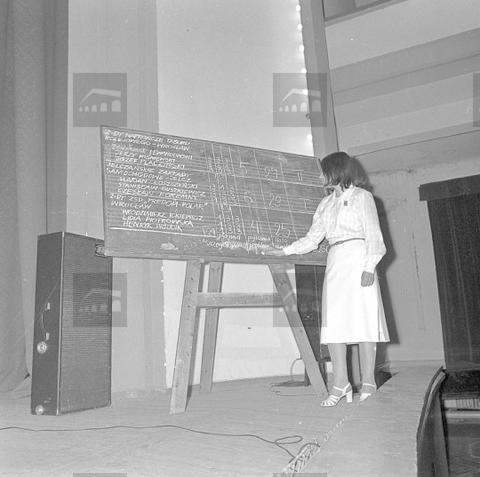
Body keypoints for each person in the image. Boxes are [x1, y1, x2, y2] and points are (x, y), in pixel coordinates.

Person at [263, 151, 389, 406]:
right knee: (334, 323)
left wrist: (369, 267)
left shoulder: (362, 197)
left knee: (365, 320)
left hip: (359, 258)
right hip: (336, 261)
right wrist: (284, 251)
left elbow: (374, 235)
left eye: (324, 171)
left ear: (336, 171)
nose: (320, 176)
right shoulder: (325, 204)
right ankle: (341, 383)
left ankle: (368, 382)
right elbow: (312, 239)